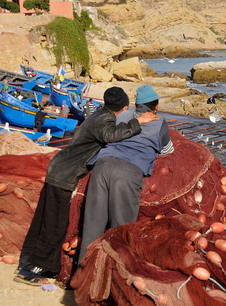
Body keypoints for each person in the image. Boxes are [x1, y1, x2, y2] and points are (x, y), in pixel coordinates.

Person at [15, 87, 158, 286]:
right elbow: (111, 135)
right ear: (123, 107)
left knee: (43, 219)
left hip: (59, 169)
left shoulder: (99, 113)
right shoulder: (104, 120)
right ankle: (34, 270)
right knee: (54, 224)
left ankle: (27, 261)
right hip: (64, 174)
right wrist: (138, 122)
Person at [78, 85, 174, 264]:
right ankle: (114, 280)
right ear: (156, 107)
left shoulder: (120, 115)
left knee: (92, 227)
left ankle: (83, 274)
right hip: (129, 173)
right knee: (121, 231)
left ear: (136, 105)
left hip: (102, 167)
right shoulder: (159, 123)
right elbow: (168, 150)